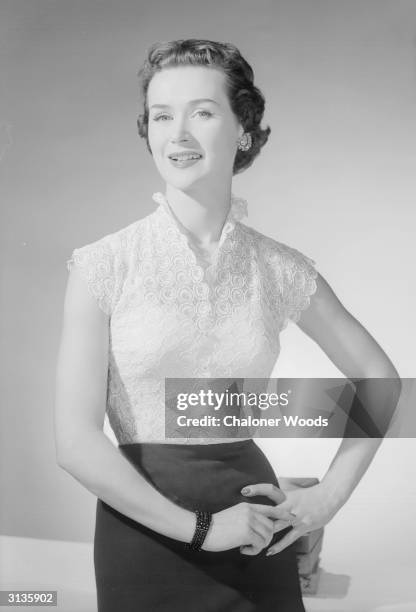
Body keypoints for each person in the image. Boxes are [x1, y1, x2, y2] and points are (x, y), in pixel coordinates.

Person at [54, 39, 401, 611]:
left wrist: (329, 497)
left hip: (258, 532)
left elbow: (379, 379)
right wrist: (202, 529)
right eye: (162, 116)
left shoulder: (279, 268)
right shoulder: (103, 264)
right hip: (144, 535)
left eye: (203, 112)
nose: (178, 133)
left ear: (243, 130)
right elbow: (75, 443)